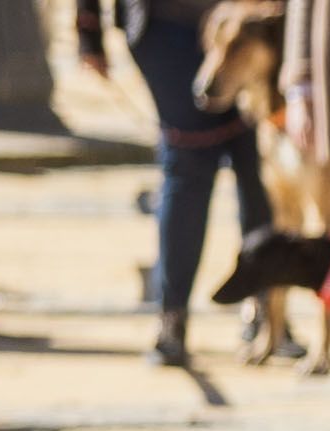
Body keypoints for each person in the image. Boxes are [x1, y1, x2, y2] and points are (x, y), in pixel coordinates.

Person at [74, 0, 269, 369]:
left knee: (256, 168)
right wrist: (88, 30)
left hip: (254, 21)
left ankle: (266, 311)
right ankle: (173, 317)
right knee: (190, 167)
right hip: (168, 26)